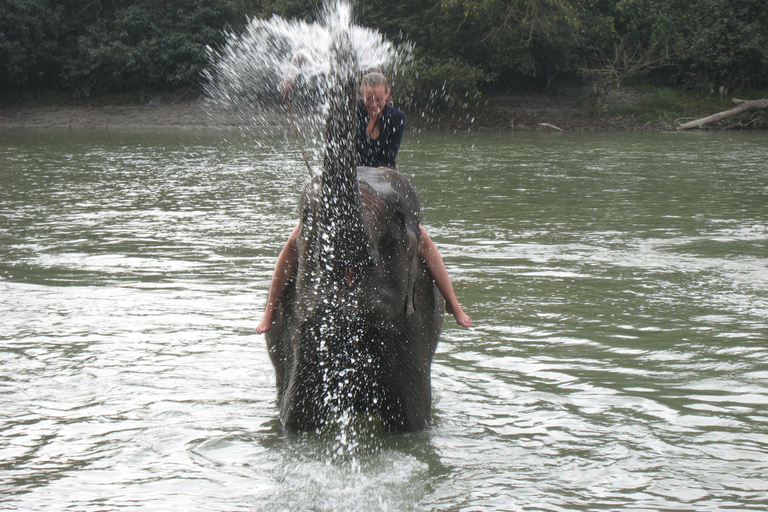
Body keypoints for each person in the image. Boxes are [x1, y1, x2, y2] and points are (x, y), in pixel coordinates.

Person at [256, 72, 471, 334]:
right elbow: (335, 142)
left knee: (422, 240)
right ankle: (271, 308)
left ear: (387, 95)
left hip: (381, 186)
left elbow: (388, 160)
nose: (374, 104)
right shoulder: (350, 114)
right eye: (369, 99)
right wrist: (293, 90)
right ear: (361, 96)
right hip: (346, 186)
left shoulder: (396, 118)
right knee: (294, 242)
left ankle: (453, 303)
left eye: (379, 99)